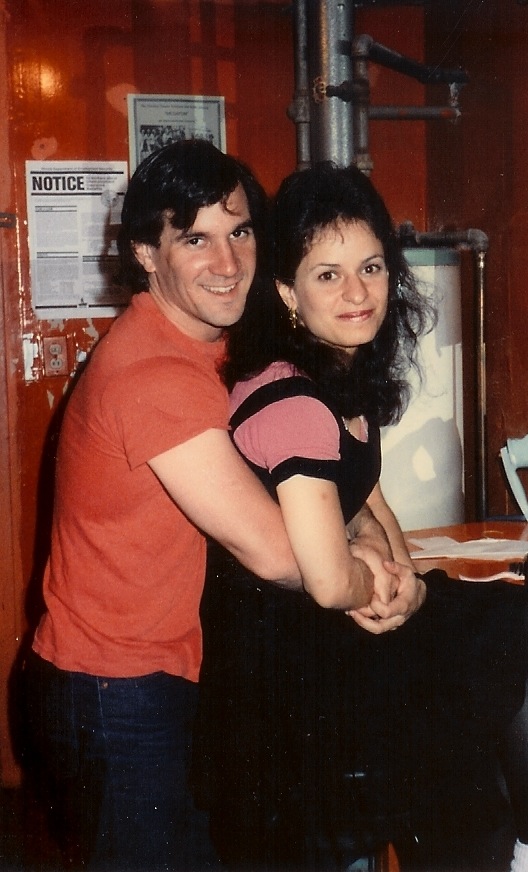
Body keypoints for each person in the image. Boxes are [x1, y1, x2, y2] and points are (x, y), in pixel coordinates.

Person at [23, 140, 409, 872]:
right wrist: (378, 578)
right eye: (195, 239)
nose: (228, 262)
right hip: (115, 687)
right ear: (146, 252)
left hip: (157, 672)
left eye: (240, 231)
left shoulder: (208, 347)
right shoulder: (155, 376)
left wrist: (365, 536)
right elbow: (280, 554)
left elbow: (331, 470)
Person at [199, 162, 528, 872]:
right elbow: (325, 580)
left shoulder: (336, 376)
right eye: (328, 275)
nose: (358, 293)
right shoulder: (293, 402)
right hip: (289, 678)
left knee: (524, 635)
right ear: (286, 292)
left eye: (371, 267)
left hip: (326, 644)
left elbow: (368, 499)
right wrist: (407, 596)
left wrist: (403, 576)